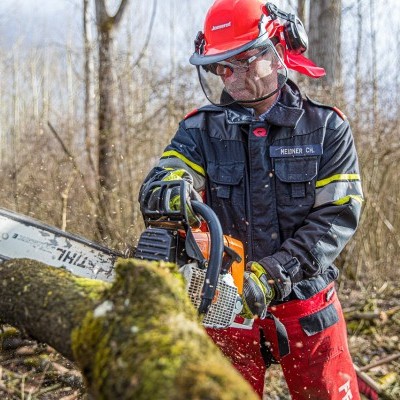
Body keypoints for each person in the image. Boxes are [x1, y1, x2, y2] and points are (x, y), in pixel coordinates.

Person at [140, 1, 363, 399]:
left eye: (242, 61)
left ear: (277, 53)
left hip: (306, 304)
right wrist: (169, 187)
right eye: (221, 66)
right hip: (226, 303)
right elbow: (169, 171)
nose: (231, 76)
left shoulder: (325, 127)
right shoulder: (199, 129)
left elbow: (336, 216)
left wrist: (273, 273)